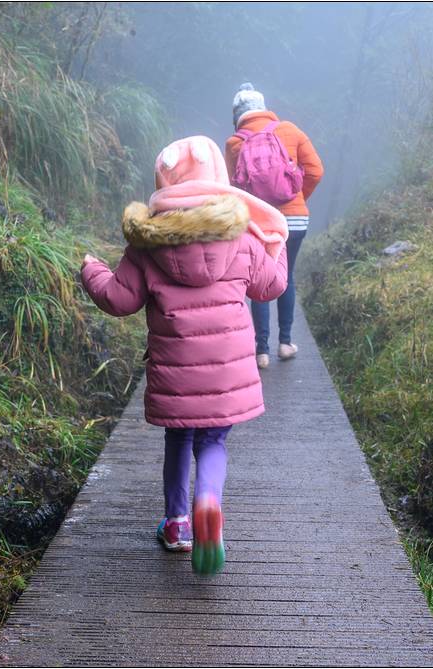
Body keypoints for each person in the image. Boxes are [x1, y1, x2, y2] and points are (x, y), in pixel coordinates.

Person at [81, 136, 288, 575]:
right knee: (213, 441)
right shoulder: (242, 236)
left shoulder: (147, 246)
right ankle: (208, 501)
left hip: (176, 373)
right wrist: (277, 245)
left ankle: (177, 524)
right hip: (227, 373)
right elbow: (271, 287)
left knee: (179, 438)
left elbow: (119, 299)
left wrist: (91, 269)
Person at [224, 83, 324, 369]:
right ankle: (285, 343)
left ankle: (261, 351)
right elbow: (316, 170)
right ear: (264, 107)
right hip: (295, 218)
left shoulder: (234, 143)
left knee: (260, 280)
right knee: (287, 275)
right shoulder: (290, 130)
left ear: (238, 115)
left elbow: (232, 189)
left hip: (258, 224)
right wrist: (297, 198)